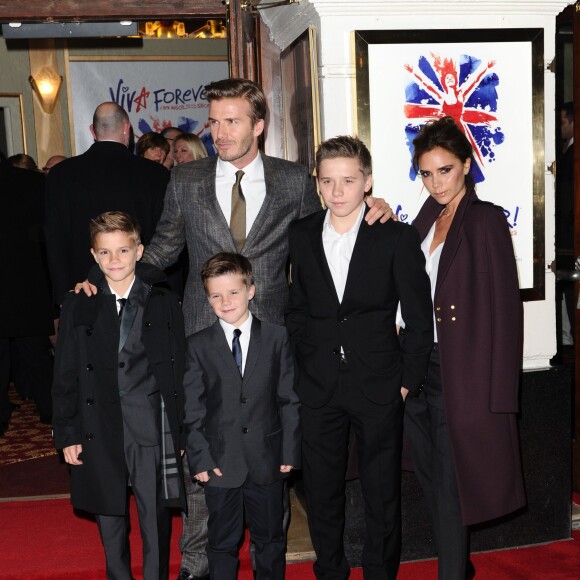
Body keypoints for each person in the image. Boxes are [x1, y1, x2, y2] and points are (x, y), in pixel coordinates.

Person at [80, 78, 390, 580]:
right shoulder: (187, 179)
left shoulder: (294, 181)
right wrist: (102, 277)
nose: (219, 132)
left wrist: (376, 207)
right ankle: (199, 562)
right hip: (203, 334)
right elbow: (160, 251)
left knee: (271, 453)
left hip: (274, 338)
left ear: (259, 125)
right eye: (214, 120)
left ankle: (270, 558)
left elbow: (334, 226)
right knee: (203, 444)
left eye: (232, 121)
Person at [286, 135, 433, 579]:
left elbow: (419, 315)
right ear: (317, 184)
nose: (337, 191)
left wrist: (407, 379)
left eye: (348, 180)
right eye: (327, 181)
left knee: (381, 492)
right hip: (318, 383)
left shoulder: (396, 236)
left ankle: (379, 573)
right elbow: (297, 306)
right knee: (322, 489)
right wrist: (302, 362)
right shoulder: (303, 233)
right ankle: (330, 570)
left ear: (366, 181)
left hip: (379, 382)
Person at [403, 116, 526, 579]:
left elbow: (506, 313)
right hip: (419, 370)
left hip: (463, 374)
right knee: (435, 483)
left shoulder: (485, 220)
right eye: (427, 173)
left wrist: (499, 397)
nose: (435, 182)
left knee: (453, 486)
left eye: (446, 170)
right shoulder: (425, 218)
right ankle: (460, 565)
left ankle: (452, 572)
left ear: (467, 165)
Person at [52, 211, 187, 580]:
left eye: (124, 250)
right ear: (94, 256)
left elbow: (179, 370)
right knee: (110, 520)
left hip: (150, 428)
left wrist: (181, 431)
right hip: (100, 426)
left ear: (139, 250)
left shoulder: (162, 301)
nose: (115, 261)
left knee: (155, 520)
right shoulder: (79, 302)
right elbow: (65, 375)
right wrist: (68, 433)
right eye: (106, 253)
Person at [183, 252, 300, 579]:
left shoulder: (277, 337)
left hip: (268, 460)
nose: (225, 301)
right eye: (216, 295)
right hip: (220, 464)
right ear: (207, 298)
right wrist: (200, 459)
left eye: (233, 292)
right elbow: (193, 409)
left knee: (270, 539)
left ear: (251, 290)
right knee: (221, 541)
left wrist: (290, 450)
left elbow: (289, 399)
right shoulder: (198, 346)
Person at [45, 101, 170, 306]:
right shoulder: (155, 175)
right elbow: (167, 237)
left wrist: (62, 296)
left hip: (81, 292)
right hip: (143, 292)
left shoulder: (60, 175)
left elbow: (55, 242)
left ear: (92, 131)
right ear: (127, 129)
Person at [0, 162, 54, 435]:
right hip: (28, 281)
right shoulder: (32, 182)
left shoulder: (32, 182)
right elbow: (47, 234)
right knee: (37, 353)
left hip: (20, 281)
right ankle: (48, 408)